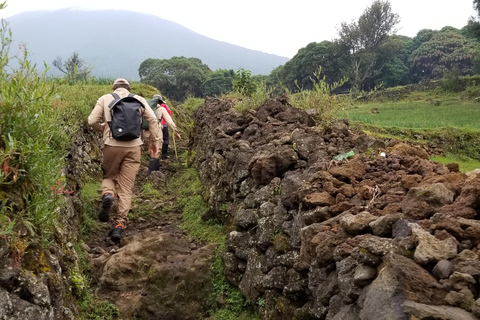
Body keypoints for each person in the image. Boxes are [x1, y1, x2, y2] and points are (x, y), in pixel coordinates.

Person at [88, 78, 160, 243]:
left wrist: (102, 128)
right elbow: (153, 120)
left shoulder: (105, 98)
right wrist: (153, 142)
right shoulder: (139, 99)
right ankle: (119, 225)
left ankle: (107, 194)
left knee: (109, 176)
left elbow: (91, 120)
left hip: (111, 145)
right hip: (134, 147)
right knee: (126, 188)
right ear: (128, 88)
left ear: (114, 87)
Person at [143, 94, 181, 160]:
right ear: (160, 102)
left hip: (145, 133)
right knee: (156, 151)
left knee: (149, 150)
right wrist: (175, 131)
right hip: (157, 132)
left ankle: (147, 163)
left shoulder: (145, 108)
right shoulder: (161, 109)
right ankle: (153, 168)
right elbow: (169, 121)